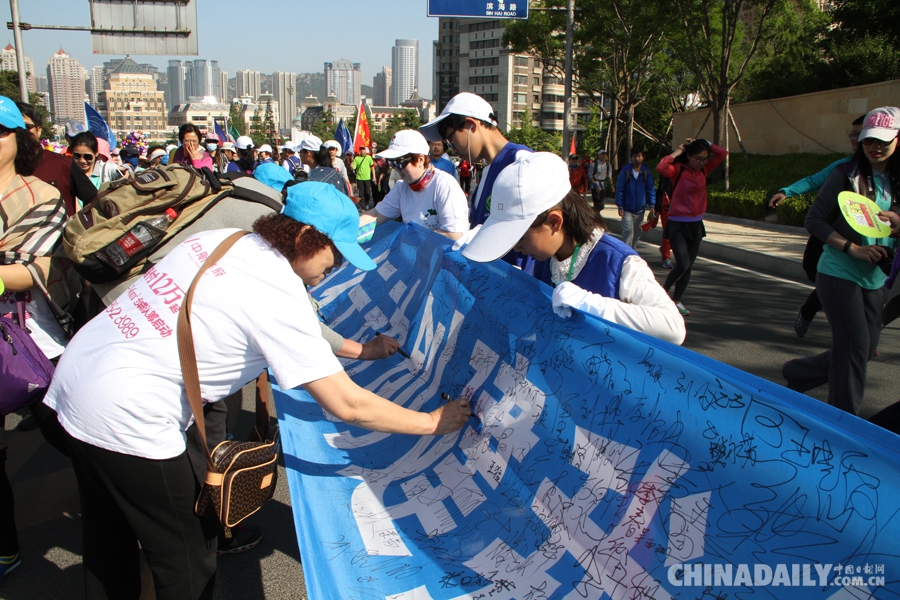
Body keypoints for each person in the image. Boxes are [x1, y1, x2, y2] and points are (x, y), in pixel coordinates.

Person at [43, 182, 472, 599]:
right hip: (128, 414)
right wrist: (433, 422)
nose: (336, 266)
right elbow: (348, 403)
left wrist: (360, 351)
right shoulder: (275, 289)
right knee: (187, 558)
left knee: (108, 538)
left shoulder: (225, 239)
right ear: (304, 236)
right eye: (335, 253)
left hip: (77, 379)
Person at [461, 152, 685, 345]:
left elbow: (673, 327)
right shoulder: (543, 257)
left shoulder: (619, 263)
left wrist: (591, 304)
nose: (516, 248)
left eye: (519, 237)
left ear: (554, 222)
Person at [0, 96, 80, 581]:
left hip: (31, 341)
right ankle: (4, 547)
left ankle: (122, 505)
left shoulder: (41, 197)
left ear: (20, 140)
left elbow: (43, 266)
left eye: (0, 131)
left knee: (70, 433)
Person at [782, 106, 899, 417]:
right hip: (838, 270)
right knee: (854, 349)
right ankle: (844, 423)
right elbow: (815, 220)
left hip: (876, 277)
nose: (876, 148)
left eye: (884, 141)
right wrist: (852, 248)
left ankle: (800, 372)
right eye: (869, 141)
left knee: (864, 348)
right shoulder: (845, 173)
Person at [769, 115, 865, 337]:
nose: (854, 139)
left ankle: (866, 333)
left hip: (875, 242)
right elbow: (814, 181)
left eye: (859, 134)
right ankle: (808, 312)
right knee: (832, 278)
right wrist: (787, 191)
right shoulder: (843, 168)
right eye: (852, 134)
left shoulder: (890, 174)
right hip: (837, 236)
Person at [655, 138, 728, 317]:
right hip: (678, 223)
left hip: (696, 224)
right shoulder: (677, 170)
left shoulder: (704, 169)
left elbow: (722, 153)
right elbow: (661, 167)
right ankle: (662, 294)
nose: (702, 162)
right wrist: (678, 151)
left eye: (705, 158)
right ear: (689, 155)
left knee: (689, 266)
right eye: (698, 158)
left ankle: (677, 300)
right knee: (683, 263)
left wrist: (706, 143)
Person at [360, 130, 469, 241]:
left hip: (446, 254)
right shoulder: (402, 187)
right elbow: (376, 215)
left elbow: (454, 234)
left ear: (420, 160)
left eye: (400, 162)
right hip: (416, 252)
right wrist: (349, 230)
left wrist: (411, 237)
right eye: (392, 162)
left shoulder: (444, 185)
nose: (396, 168)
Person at [16, 102, 96, 216]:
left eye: (26, 127)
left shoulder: (63, 165)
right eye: (13, 128)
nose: (20, 133)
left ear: (38, 130)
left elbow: (95, 201)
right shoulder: (5, 169)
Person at [615, 147, 656, 249]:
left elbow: (651, 189)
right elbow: (620, 189)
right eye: (634, 156)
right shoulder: (626, 171)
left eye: (639, 156)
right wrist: (620, 205)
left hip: (640, 209)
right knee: (628, 231)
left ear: (642, 157)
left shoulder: (646, 172)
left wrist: (652, 205)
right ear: (631, 158)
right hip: (627, 209)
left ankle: (632, 252)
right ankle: (626, 253)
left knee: (637, 233)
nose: (637, 158)